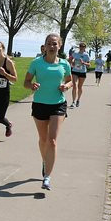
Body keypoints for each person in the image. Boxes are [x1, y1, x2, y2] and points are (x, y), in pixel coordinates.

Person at [24, 33, 72, 190]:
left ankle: (47, 177)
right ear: (44, 46)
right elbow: (26, 82)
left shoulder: (64, 64)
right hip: (39, 104)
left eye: (55, 44)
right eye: (49, 44)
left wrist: (66, 86)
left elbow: (70, 80)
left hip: (58, 104)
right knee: (43, 139)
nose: (52, 47)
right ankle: (45, 161)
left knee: (52, 141)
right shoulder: (36, 63)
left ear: (59, 46)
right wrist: (31, 86)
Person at [69, 42, 90, 106]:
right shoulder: (75, 53)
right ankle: (73, 102)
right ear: (79, 47)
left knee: (79, 87)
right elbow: (70, 59)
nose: (81, 47)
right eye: (80, 46)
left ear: (85, 48)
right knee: (74, 85)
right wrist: (72, 62)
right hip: (75, 71)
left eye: (83, 46)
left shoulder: (86, 55)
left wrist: (83, 62)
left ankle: (78, 100)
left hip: (82, 72)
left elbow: (89, 65)